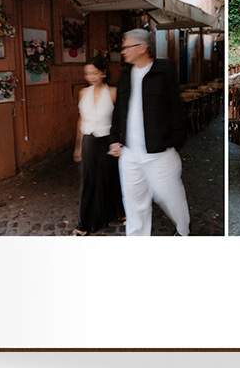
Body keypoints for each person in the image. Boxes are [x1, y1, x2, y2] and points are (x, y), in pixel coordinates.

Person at [108, 28, 191, 236]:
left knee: (171, 199)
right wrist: (114, 139)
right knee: (134, 204)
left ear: (142, 48)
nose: (123, 51)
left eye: (126, 46)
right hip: (129, 154)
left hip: (159, 153)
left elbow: (177, 111)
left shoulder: (163, 74)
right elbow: (119, 111)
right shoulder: (125, 75)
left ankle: (183, 231)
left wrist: (171, 142)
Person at [71, 55, 123, 235]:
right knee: (88, 181)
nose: (91, 76)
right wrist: (78, 146)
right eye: (87, 73)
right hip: (89, 141)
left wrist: (120, 143)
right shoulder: (83, 93)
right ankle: (83, 223)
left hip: (108, 140)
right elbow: (80, 120)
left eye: (94, 72)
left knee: (111, 178)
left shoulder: (113, 92)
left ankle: (118, 211)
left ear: (103, 73)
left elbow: (121, 120)